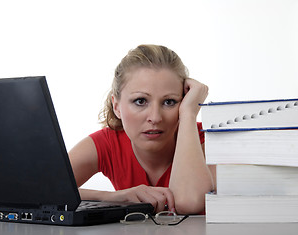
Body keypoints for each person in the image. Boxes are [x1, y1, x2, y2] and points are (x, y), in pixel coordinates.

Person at [69, 44, 216, 214]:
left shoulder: (208, 140)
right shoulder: (107, 144)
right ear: (116, 106)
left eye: (169, 102)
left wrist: (189, 114)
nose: (155, 117)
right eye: (140, 101)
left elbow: (189, 203)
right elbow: (38, 189)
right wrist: (113, 197)